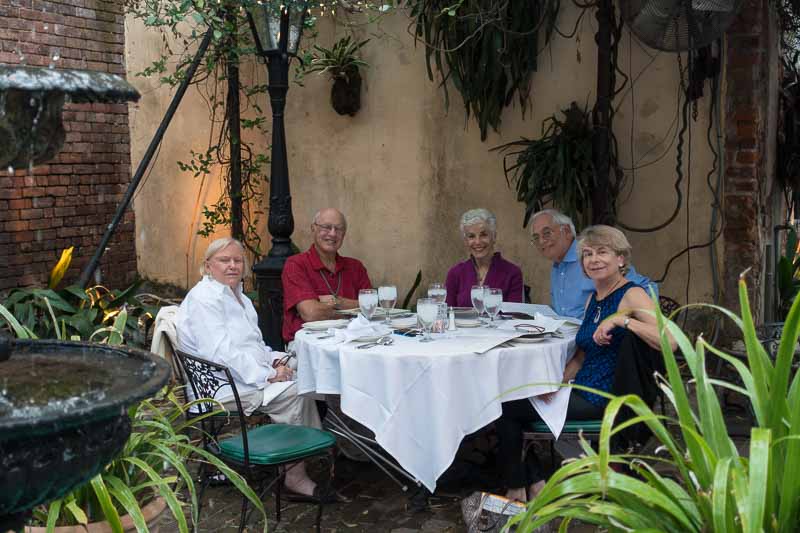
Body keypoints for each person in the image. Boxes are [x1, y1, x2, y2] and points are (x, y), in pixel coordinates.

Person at [495, 225, 674, 502]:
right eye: (588, 254)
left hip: (603, 395)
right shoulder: (594, 298)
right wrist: (557, 384)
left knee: (504, 409)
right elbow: (581, 356)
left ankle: (520, 488)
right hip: (580, 388)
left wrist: (622, 320)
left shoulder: (631, 294)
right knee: (505, 402)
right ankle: (533, 481)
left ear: (620, 259)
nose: (594, 259)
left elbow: (670, 340)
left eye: (602, 252)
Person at [177, 237, 325, 501]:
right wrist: (269, 375)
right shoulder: (204, 299)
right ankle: (295, 475)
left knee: (308, 366)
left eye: (237, 260)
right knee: (296, 393)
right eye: (224, 260)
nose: (232, 266)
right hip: (220, 386)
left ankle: (313, 447)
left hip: (242, 374)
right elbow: (221, 354)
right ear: (208, 265)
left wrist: (275, 361)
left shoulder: (239, 297)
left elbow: (252, 346)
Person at [530, 209, 657, 319]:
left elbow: (647, 289)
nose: (541, 241)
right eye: (536, 237)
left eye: (547, 233)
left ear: (567, 231)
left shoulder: (594, 258)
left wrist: (617, 320)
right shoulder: (557, 266)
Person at [282, 208, 372, 343]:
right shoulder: (296, 264)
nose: (333, 233)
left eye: (339, 229)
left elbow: (371, 307)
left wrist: (336, 301)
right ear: (313, 228)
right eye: (326, 227)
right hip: (309, 344)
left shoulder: (356, 267)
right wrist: (353, 311)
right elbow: (311, 313)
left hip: (353, 340)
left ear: (344, 234)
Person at [445, 208, 524, 307]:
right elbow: (447, 312)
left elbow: (514, 313)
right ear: (466, 241)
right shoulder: (455, 273)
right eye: (471, 236)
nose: (477, 242)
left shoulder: (512, 273)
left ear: (494, 237)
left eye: (483, 235)